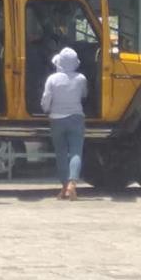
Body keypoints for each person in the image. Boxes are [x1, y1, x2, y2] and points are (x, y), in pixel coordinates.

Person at [41, 47, 87, 201]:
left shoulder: (52, 79)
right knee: (75, 152)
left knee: (61, 153)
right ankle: (72, 184)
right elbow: (84, 94)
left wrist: (46, 110)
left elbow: (46, 100)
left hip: (56, 120)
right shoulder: (81, 78)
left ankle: (63, 187)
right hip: (76, 118)